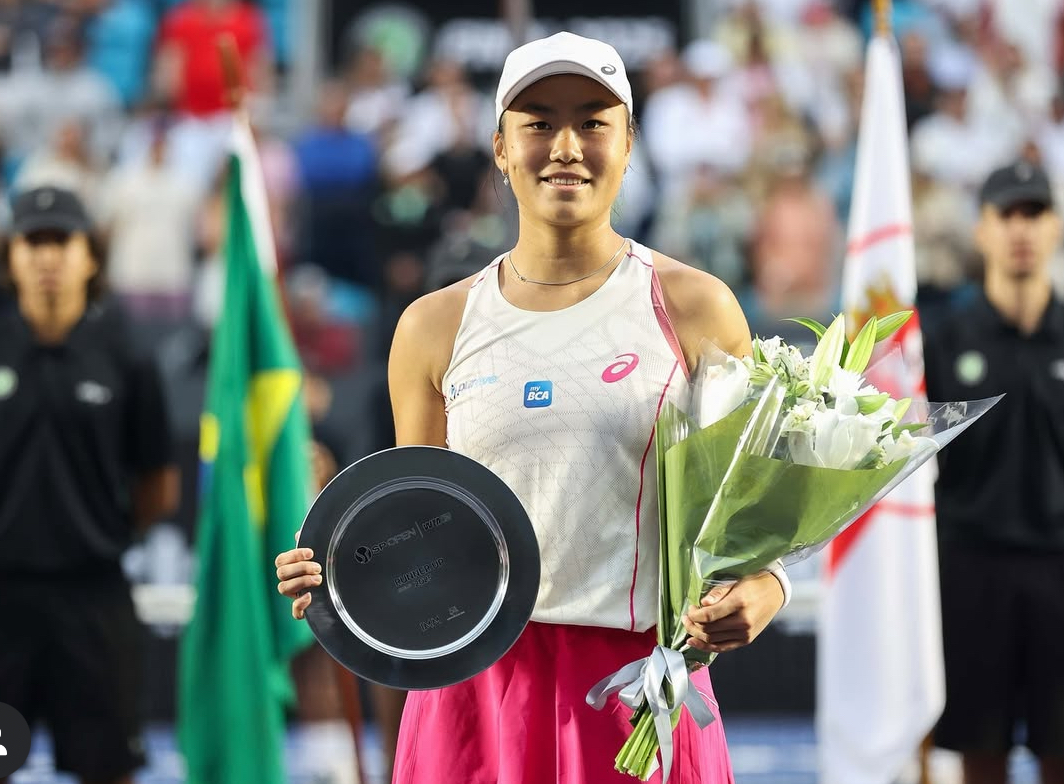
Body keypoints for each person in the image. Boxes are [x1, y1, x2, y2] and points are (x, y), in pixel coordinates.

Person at [276, 32, 790, 784]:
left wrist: (764, 589)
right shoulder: (432, 326)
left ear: (629, 141)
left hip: (636, 693)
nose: (566, 146)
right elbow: (421, 525)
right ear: (498, 147)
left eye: (591, 121)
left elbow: (751, 520)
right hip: (470, 697)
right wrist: (339, 570)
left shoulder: (695, 307)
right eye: (538, 123)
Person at [923, 161, 1064, 784]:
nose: (1021, 229)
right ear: (982, 230)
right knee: (980, 754)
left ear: (1057, 228)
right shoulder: (946, 341)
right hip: (969, 567)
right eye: (1006, 214)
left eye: (1034, 213)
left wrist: (1058, 510)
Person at [0, 185, 180, 784]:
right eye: (33, 242)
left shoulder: (127, 357)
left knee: (108, 768)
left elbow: (158, 482)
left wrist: (104, 536)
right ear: (11, 257)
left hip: (94, 598)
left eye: (62, 241)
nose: (48, 257)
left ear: (91, 256)